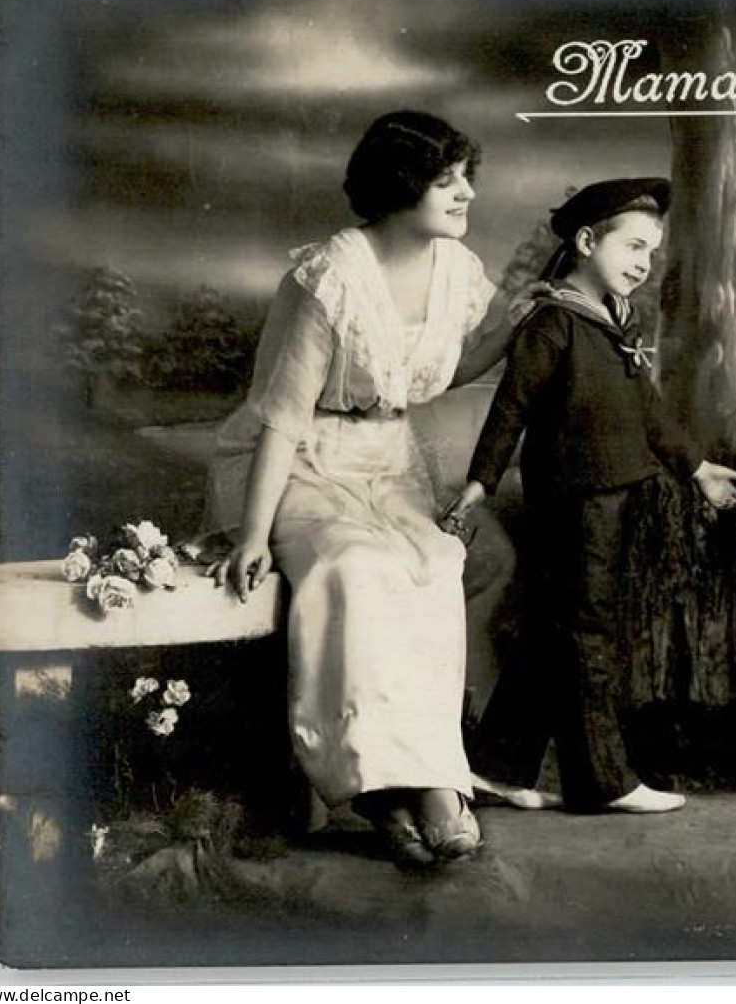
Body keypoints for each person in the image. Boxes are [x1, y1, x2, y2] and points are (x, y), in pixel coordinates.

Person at [207, 110, 522, 867]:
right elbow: (280, 421)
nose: (465, 194)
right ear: (399, 185)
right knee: (356, 568)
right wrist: (253, 535)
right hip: (306, 463)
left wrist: (525, 322)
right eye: (446, 181)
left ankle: (435, 783)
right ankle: (377, 792)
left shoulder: (457, 271)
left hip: (392, 462)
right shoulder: (327, 278)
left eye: (465, 178)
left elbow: (448, 369)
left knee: (435, 565)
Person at [438, 177, 736, 815]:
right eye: (633, 247)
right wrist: (479, 482)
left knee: (553, 631)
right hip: (575, 501)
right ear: (586, 241)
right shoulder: (556, 321)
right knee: (587, 631)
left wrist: (699, 470)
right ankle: (603, 781)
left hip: (613, 494)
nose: (643, 263)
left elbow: (649, 410)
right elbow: (511, 405)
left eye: (651, 253)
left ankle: (496, 765)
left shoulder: (614, 321)